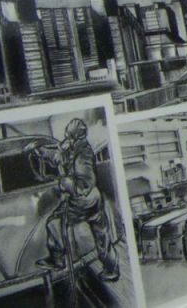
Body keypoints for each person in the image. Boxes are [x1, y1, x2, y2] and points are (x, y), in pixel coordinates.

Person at [31, 118, 120, 282]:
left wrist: (66, 184)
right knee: (101, 234)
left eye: (69, 136)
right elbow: (59, 157)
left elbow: (84, 184)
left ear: (75, 136)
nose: (66, 139)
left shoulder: (83, 154)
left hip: (84, 200)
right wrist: (41, 152)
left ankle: (58, 260)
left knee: (54, 222)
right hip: (91, 199)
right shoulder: (75, 149)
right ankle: (111, 269)